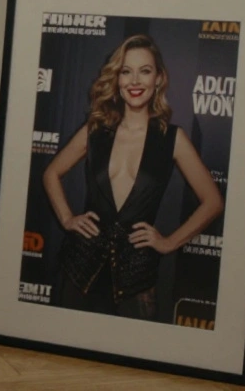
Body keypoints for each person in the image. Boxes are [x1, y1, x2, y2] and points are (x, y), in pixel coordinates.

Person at [41, 34, 224, 320]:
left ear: (159, 78)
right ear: (117, 79)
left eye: (145, 71)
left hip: (137, 277)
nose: (135, 81)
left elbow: (213, 201)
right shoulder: (96, 129)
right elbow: (52, 172)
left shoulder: (171, 138)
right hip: (79, 270)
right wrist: (67, 218)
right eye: (126, 71)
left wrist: (169, 242)